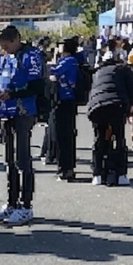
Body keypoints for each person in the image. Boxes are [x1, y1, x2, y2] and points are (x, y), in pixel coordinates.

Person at [0, 24, 43, 225]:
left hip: (23, 111)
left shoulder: (30, 56)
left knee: (22, 159)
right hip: (6, 110)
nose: (4, 49)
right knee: (9, 160)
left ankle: (26, 205)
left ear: (16, 40)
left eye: (7, 45)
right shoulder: (4, 57)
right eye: (2, 46)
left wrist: (13, 94)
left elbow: (37, 85)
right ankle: (11, 202)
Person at [87, 44, 133, 186]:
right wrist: (129, 108)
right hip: (116, 105)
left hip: (97, 107)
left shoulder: (97, 72)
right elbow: (131, 90)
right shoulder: (123, 70)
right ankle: (121, 175)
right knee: (119, 139)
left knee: (99, 139)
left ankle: (97, 174)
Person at [50, 37, 82, 182]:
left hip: (65, 100)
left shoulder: (69, 61)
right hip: (61, 99)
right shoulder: (66, 61)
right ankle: (64, 166)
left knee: (64, 134)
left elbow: (53, 71)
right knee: (61, 134)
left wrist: (54, 57)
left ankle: (66, 167)